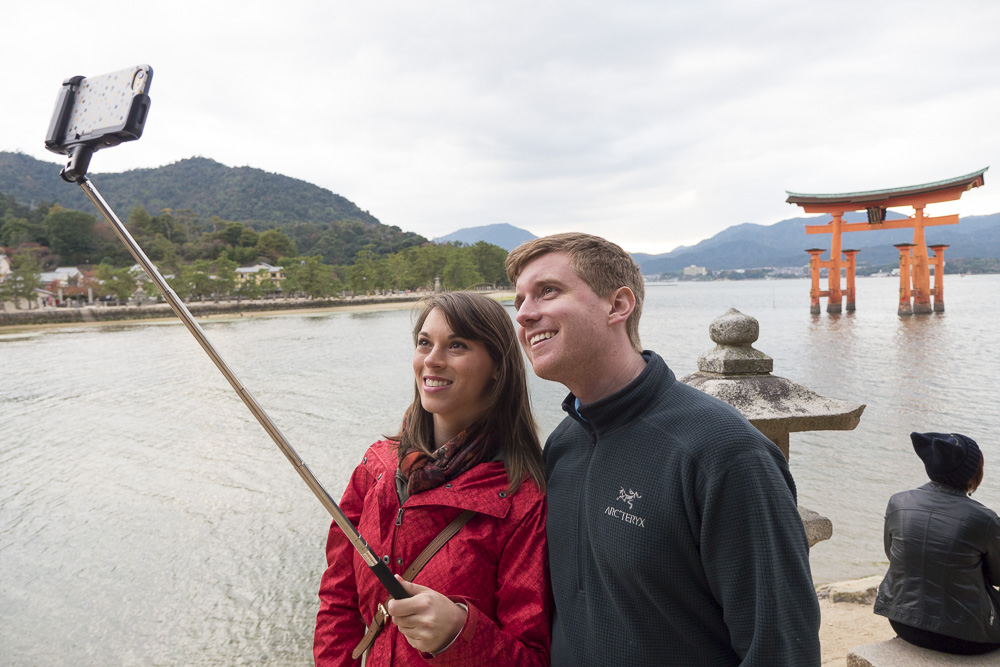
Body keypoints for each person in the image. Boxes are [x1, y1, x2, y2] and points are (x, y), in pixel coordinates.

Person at [505, 232, 821, 665]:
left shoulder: (723, 453)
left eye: (547, 292)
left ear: (618, 305)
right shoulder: (563, 445)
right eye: (519, 299)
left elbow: (781, 647)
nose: (524, 314)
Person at [313, 292, 551, 665]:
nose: (432, 360)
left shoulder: (523, 499)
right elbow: (337, 601)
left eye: (457, 345)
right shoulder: (375, 466)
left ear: (497, 367)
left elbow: (535, 656)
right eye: (425, 343)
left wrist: (460, 631)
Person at [874, 431, 1000, 655]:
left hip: (904, 623)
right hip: (967, 636)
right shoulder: (984, 519)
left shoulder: (898, 502)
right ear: (974, 472)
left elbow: (893, 556)